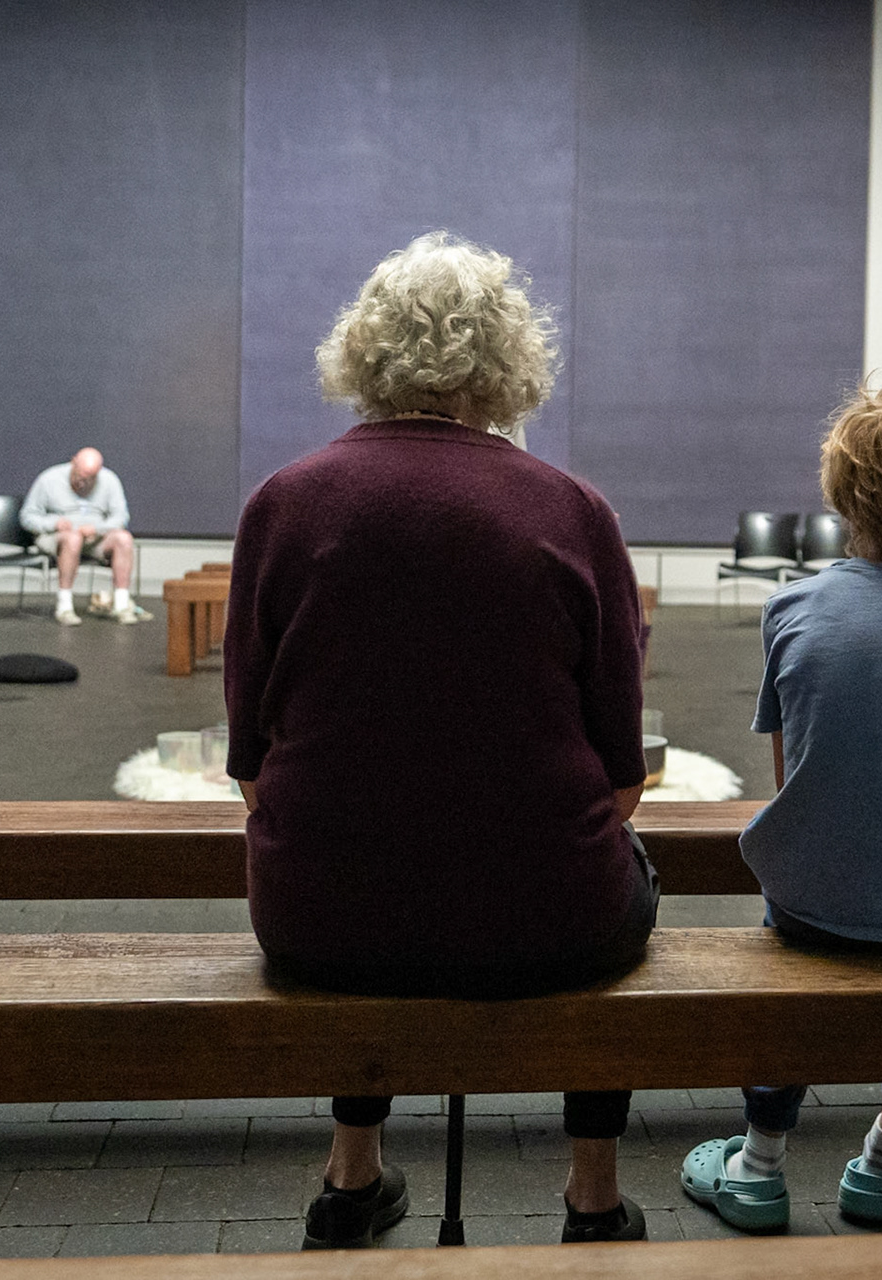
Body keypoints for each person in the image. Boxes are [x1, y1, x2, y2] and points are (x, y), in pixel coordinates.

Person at [224, 232, 658, 1249]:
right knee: (619, 876)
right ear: (510, 359)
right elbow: (623, 780)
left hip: (319, 918)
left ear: (363, 351)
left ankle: (352, 1177)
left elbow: (249, 763)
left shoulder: (282, 505)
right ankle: (593, 1196)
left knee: (359, 854)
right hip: (549, 917)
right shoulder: (574, 511)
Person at [681, 371, 882, 1233]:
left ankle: (759, 1162)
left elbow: (796, 774)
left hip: (811, 906)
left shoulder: (793, 608)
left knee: (786, 963)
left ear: (846, 490)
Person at [19, 447, 149, 624]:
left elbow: (121, 517)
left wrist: (98, 528)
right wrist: (54, 523)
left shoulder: (110, 480)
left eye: (90, 478)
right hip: (57, 537)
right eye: (80, 476)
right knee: (73, 539)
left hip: (94, 538)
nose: (83, 482)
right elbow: (27, 517)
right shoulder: (49, 479)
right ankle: (64, 607)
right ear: (73, 463)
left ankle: (121, 604)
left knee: (124, 538)